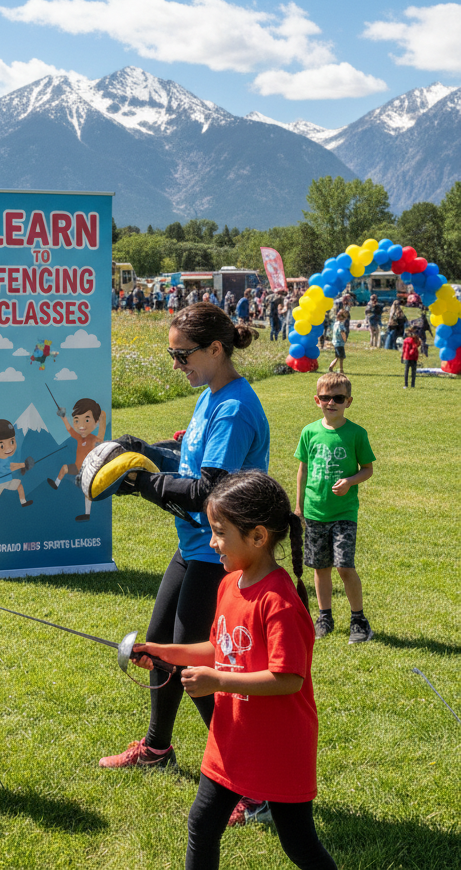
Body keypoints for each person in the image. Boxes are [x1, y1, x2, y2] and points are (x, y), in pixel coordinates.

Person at [98, 303, 270, 793]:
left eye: (182, 355)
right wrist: (146, 451)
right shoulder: (211, 394)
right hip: (194, 544)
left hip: (220, 552)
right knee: (159, 646)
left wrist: (142, 482)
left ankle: (252, 783)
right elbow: (188, 464)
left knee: (195, 666)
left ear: (216, 349)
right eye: (171, 355)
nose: (176, 365)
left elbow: (207, 492)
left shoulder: (233, 408)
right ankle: (157, 749)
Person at [134, 471, 336, 870]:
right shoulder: (229, 585)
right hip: (232, 738)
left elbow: (288, 679)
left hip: (279, 747)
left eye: (220, 532)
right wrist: (163, 651)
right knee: (202, 824)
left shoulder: (279, 601)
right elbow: (218, 648)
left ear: (258, 536)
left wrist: (218, 681)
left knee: (299, 845)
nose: (212, 542)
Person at [294, 372, 375, 644]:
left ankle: (359, 620)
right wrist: (299, 507)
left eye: (338, 398)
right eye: (326, 397)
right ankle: (324, 617)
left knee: (344, 566)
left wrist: (350, 481)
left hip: (344, 513)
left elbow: (367, 469)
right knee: (320, 567)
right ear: (317, 400)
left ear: (348, 401)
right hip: (315, 512)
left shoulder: (356, 433)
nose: (332, 403)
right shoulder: (309, 432)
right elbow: (303, 470)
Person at [327, 310, 350, 374]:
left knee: (337, 357)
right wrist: (345, 340)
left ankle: (331, 367)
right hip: (340, 343)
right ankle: (341, 370)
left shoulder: (336, 323)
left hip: (335, 342)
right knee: (341, 357)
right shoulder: (341, 325)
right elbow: (342, 333)